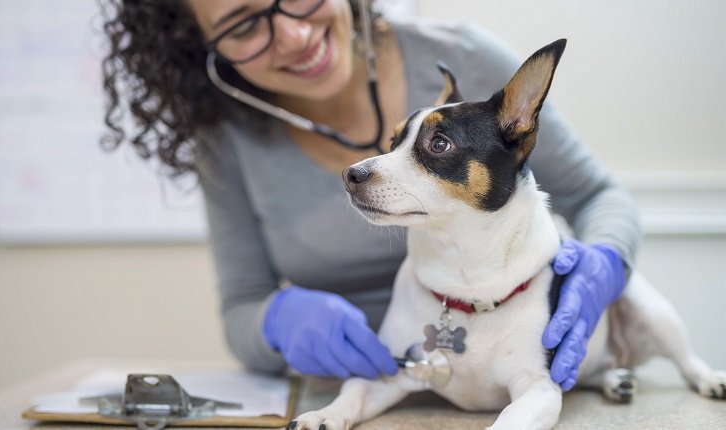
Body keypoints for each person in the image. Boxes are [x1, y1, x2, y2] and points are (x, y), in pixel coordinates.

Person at [100, 0, 640, 391]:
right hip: (374, 384)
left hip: (508, 362)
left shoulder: (465, 58)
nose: (291, 34)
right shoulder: (227, 137)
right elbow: (241, 305)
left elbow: (596, 195)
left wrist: (606, 263)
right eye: (243, 25)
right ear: (202, 49)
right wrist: (276, 324)